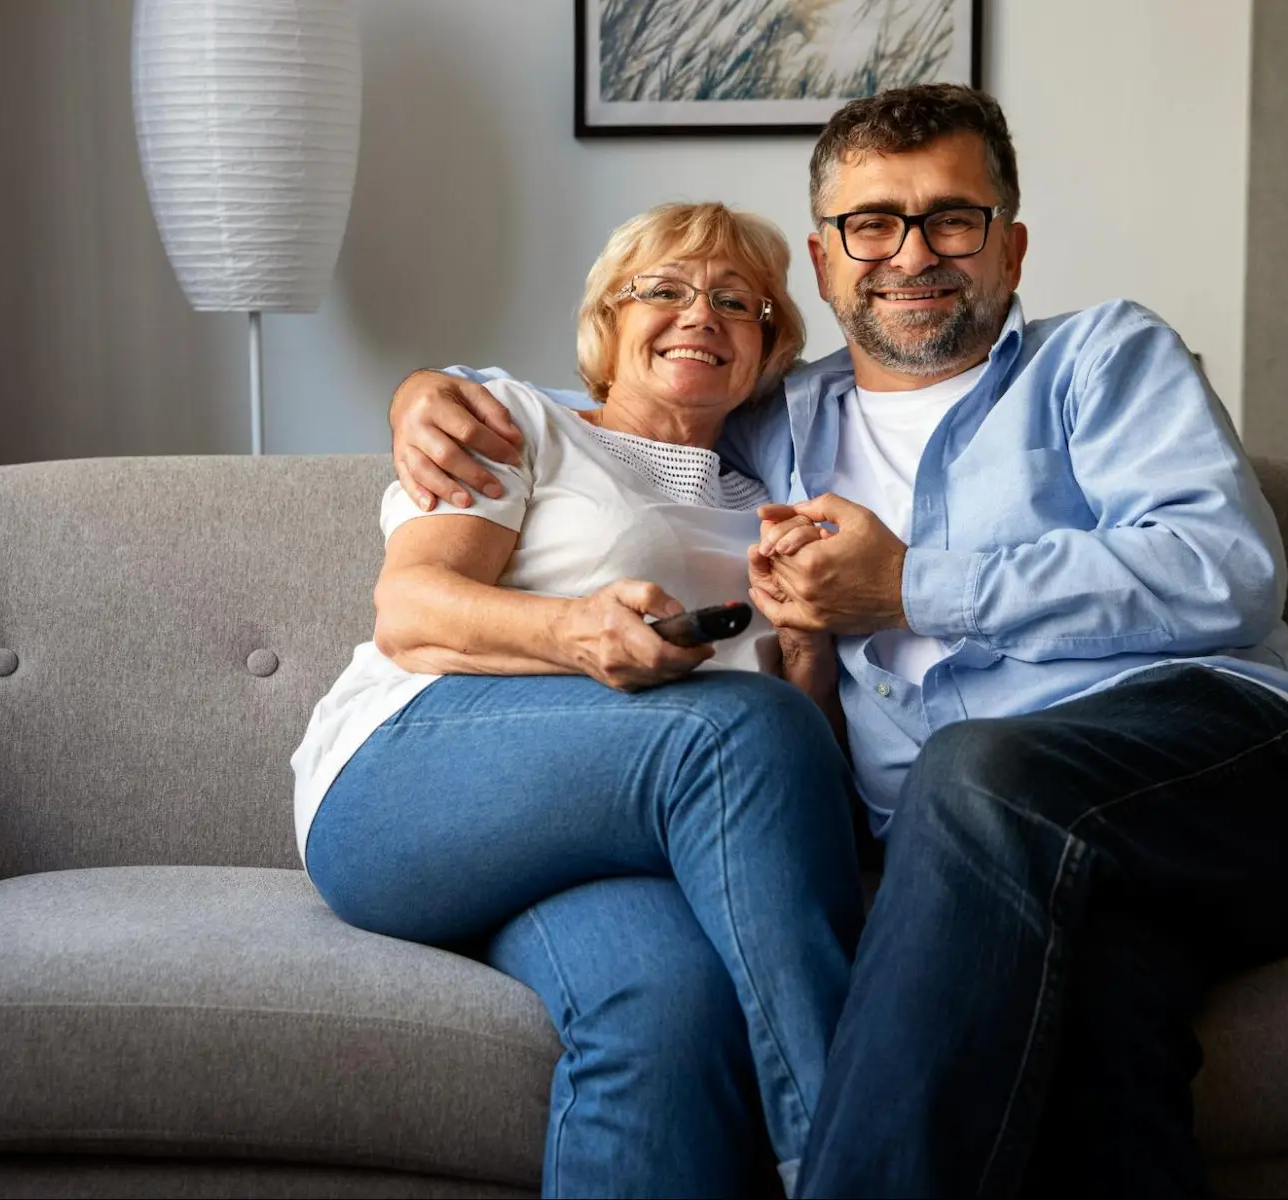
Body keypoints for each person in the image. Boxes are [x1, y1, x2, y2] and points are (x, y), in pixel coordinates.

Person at [387, 85, 1288, 1197]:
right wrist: (437, 393)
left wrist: (911, 586)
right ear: (822, 262)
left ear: (1010, 247)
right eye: (873, 224)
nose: (912, 254)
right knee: (1097, 1041)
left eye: (953, 218)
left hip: (1238, 785)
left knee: (984, 767)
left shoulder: (1104, 360)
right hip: (1003, 878)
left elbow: (1225, 569)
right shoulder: (775, 428)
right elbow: (624, 405)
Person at [293, 201, 867, 1199]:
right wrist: (575, 632)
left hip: (601, 840)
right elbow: (411, 611)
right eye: (666, 290)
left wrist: (808, 654)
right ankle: (850, 1161)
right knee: (735, 733)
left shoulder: (767, 506)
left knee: (669, 1012)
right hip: (403, 780)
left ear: (769, 348)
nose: (703, 314)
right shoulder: (519, 422)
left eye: (740, 301)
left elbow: (787, 784)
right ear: (610, 318)